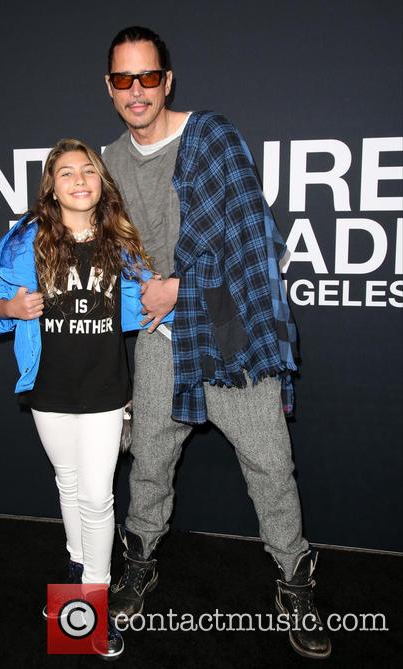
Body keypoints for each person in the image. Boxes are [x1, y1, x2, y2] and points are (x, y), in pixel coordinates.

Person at [102, 26, 331, 659]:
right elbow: (102, 250)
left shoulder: (212, 138)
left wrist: (180, 287)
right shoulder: (108, 163)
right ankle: (139, 564)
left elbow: (251, 238)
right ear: (110, 87)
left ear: (166, 81)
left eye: (148, 77)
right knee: (147, 464)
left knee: (269, 466)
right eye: (124, 80)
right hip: (160, 339)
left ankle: (295, 580)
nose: (137, 91)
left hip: (227, 329)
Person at [0, 137, 172, 660]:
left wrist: (176, 301)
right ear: (51, 187)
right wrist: (11, 308)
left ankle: (92, 604)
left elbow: (149, 301)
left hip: (105, 390)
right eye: (66, 173)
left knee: (97, 497)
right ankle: (76, 568)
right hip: (48, 389)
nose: (79, 179)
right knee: (67, 483)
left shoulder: (119, 240)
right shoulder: (26, 242)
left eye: (88, 170)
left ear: (101, 183)